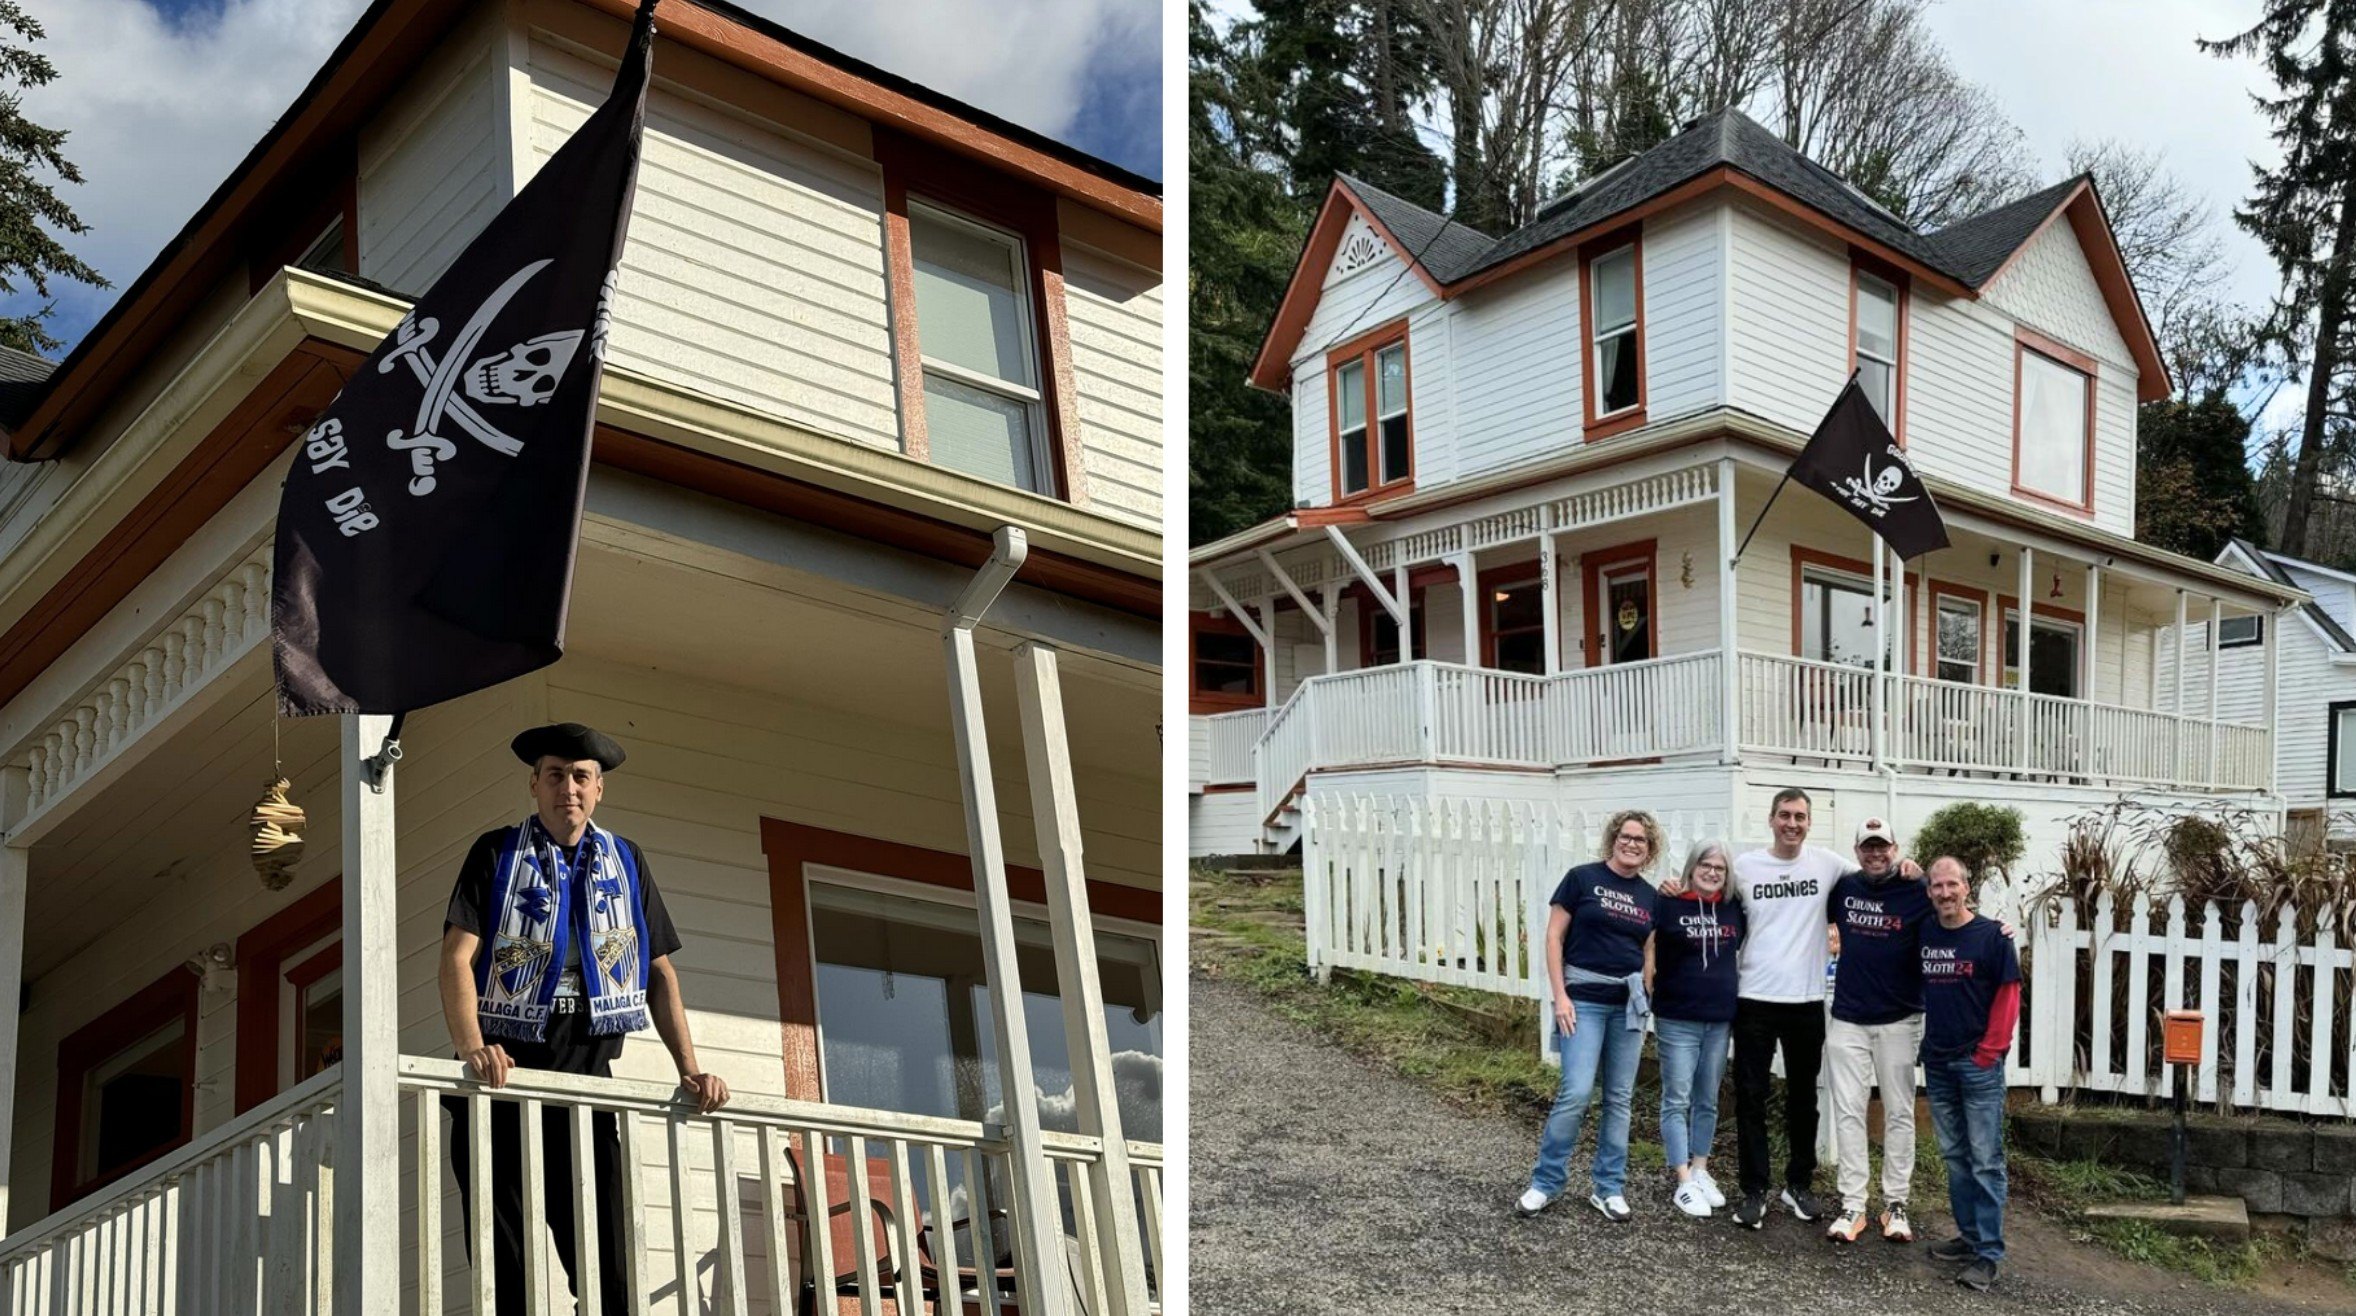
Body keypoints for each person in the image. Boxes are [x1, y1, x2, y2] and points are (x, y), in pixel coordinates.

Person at [438, 722, 732, 1316]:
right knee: (508, 1278)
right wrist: (474, 1048)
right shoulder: (496, 853)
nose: (566, 788)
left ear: (599, 791)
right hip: (500, 1092)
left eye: (580, 777)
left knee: (613, 1276)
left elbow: (659, 974)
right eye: (554, 775)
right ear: (534, 785)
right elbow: (456, 958)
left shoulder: (625, 860)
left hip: (587, 1098)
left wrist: (691, 1069)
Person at [1516, 810, 1661, 1223]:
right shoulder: (1582, 879)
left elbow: (1649, 952)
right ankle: (1545, 1182)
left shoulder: (1651, 897)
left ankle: (1609, 1188)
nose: (1633, 844)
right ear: (1613, 839)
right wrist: (1560, 996)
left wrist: (1647, 995)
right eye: (1627, 836)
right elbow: (1553, 935)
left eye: (1641, 841)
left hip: (1627, 1007)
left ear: (1650, 850)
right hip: (1582, 1002)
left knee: (1619, 1098)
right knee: (1576, 1092)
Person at [1723, 788, 1847, 1228]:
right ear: (1771, 820)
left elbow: (1878, 880)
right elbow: (1703, 892)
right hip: (1754, 997)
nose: (1792, 823)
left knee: (1802, 1099)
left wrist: (1909, 868)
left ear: (1809, 822)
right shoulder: (1745, 868)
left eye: (1800, 816)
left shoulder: (1828, 864)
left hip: (1806, 1000)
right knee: (1752, 1098)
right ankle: (1754, 1189)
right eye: (1784, 815)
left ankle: (1799, 1184)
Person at [1822, 817, 1935, 1245]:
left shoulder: (1916, 889)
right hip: (1848, 1017)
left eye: (1882, 846)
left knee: (1900, 1111)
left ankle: (1896, 1203)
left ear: (1895, 848)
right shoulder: (1845, 888)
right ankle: (1853, 1204)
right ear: (1856, 852)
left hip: (1900, 1019)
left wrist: (1922, 873)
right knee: (1848, 1111)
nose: (1875, 854)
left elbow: (1957, 909)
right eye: (1867, 847)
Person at [1919, 856, 2020, 1292]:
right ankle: (1969, 1237)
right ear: (1929, 892)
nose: (1945, 893)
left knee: (1985, 1162)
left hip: (1977, 1065)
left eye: (1952, 885)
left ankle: (1989, 1254)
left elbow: (2008, 997)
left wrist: (1989, 1053)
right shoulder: (1925, 931)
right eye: (1937, 886)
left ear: (1967, 886)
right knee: (1956, 1159)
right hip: (1938, 1063)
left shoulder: (1993, 937)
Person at [1643, 839, 1742, 1218]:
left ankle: (1701, 1168)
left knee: (1708, 1098)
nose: (1712, 872)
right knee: (1677, 1097)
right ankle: (1682, 1180)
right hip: (1676, 1017)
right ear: (1692, 867)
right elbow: (1645, 944)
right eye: (1706, 865)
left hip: (1719, 1018)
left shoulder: (1734, 908)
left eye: (1720, 867)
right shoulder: (1667, 902)